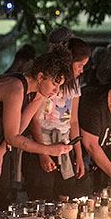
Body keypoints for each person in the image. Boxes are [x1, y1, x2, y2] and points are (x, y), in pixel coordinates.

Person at [0, 50, 74, 218]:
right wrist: (48, 150)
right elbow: (13, 137)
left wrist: (1, 151)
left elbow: (19, 126)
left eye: (59, 86)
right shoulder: (14, 86)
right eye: (55, 85)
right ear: (40, 77)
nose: (56, 91)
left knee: (2, 193)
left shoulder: (39, 94)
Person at [23, 39, 91, 201]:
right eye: (80, 65)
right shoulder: (46, 82)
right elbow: (34, 120)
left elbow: (73, 121)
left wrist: (79, 156)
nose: (82, 70)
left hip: (64, 146)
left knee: (65, 199)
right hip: (40, 145)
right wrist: (43, 153)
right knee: (42, 198)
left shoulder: (74, 85)